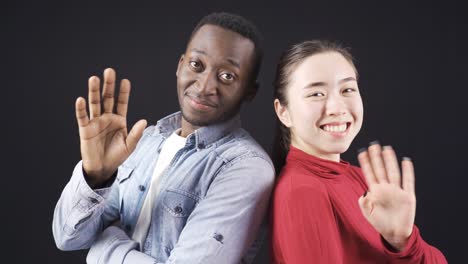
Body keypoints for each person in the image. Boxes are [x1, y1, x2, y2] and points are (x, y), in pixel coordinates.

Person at [52, 12, 275, 264]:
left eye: (227, 76)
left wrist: (104, 249)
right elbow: (68, 238)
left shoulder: (247, 167)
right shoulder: (146, 141)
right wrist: (96, 176)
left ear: (250, 92)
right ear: (180, 65)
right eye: (196, 65)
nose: (204, 87)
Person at [270, 40, 447, 263]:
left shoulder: (360, 178)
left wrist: (403, 240)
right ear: (283, 112)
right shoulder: (302, 191)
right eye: (316, 94)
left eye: (347, 89)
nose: (337, 107)